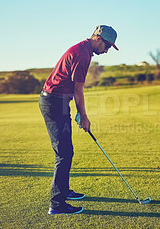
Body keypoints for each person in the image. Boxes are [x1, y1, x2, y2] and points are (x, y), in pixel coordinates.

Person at [39, 25, 119, 215]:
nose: (107, 51)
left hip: (58, 101)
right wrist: (83, 116)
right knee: (63, 153)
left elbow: (71, 88)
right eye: (107, 46)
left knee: (67, 150)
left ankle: (64, 191)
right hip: (54, 103)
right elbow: (78, 90)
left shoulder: (83, 49)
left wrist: (72, 109)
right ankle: (57, 204)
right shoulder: (83, 54)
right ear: (98, 38)